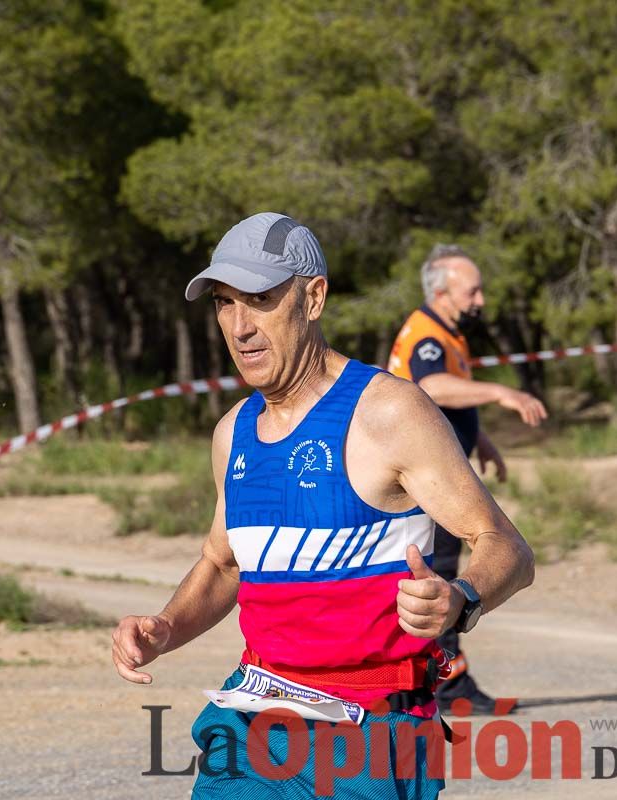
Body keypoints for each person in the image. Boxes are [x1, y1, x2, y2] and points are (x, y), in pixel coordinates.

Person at [112, 213, 535, 798]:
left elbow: (506, 546)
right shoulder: (232, 433)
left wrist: (461, 600)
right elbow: (222, 564)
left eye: (259, 299)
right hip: (254, 720)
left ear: (313, 298)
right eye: (224, 303)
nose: (239, 326)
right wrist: (165, 626)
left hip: (368, 734)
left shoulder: (387, 413)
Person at [387, 243, 548, 716]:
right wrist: (502, 392)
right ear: (442, 290)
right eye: (472, 289)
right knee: (439, 582)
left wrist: (482, 442)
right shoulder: (428, 336)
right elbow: (432, 387)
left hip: (435, 474)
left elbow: (444, 408)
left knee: (438, 579)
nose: (480, 299)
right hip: (422, 483)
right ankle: (443, 687)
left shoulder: (447, 334)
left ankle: (430, 683)